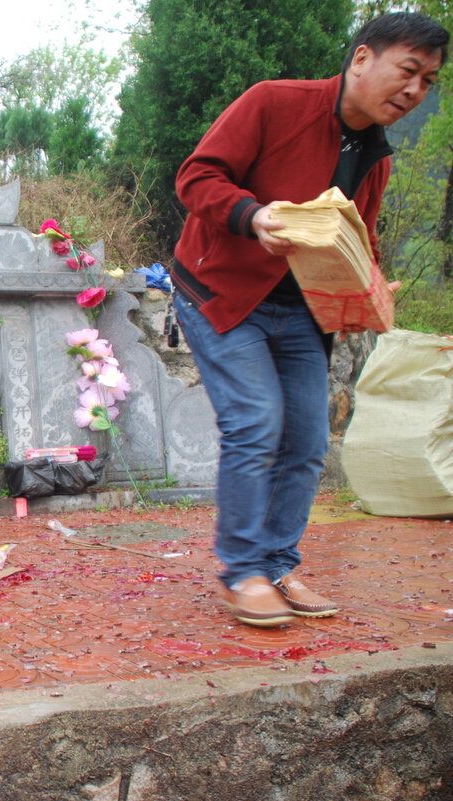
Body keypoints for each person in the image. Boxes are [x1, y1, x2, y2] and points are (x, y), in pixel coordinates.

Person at [170, 13, 448, 627]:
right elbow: (195, 177)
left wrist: (371, 284)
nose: (414, 91)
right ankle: (242, 572)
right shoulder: (274, 102)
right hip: (222, 294)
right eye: (408, 71)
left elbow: (358, 237)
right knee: (255, 422)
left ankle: (275, 565)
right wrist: (253, 215)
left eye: (428, 81)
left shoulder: (375, 158)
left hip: (302, 312)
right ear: (360, 59)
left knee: (308, 443)